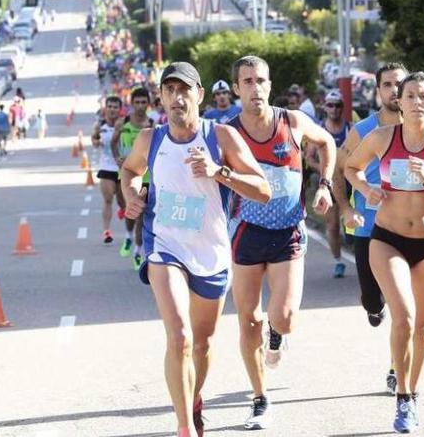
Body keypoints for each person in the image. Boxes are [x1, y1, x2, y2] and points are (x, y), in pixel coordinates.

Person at [121, 61, 271, 437]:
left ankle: (194, 398)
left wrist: (220, 172)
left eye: (184, 89)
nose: (177, 97)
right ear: (161, 97)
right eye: (170, 90)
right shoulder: (149, 139)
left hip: (211, 251)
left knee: (202, 343)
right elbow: (129, 171)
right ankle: (185, 426)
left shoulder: (220, 137)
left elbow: (263, 190)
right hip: (165, 247)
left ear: (200, 95)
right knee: (180, 336)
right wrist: (132, 194)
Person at [345, 72, 424, 433]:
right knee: (404, 317)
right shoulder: (382, 137)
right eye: (410, 96)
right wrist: (365, 190)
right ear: (399, 101)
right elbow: (350, 167)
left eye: (423, 96)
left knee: (423, 326)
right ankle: (402, 400)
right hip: (387, 238)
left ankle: (412, 390)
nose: (417, 102)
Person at [226, 55, 336, 430]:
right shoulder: (227, 132)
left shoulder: (292, 121)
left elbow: (326, 143)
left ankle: (277, 336)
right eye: (248, 81)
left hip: (288, 230)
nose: (255, 88)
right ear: (237, 88)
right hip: (247, 232)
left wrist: (325, 185)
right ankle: (259, 398)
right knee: (247, 321)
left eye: (261, 80)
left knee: (284, 318)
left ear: (270, 85)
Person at [332, 62, 407, 393]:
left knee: (405, 306)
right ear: (378, 91)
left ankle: (397, 369)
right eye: (388, 85)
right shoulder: (363, 131)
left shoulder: (420, 131)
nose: (394, 90)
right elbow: (338, 171)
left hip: (408, 229)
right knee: (373, 301)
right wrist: (347, 208)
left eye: (399, 84)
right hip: (368, 227)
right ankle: (374, 308)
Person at [306, 89, 351, 278]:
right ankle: (338, 260)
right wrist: (327, 171)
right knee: (332, 226)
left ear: (343, 108)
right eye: (330, 105)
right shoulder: (318, 131)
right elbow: (309, 159)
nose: (334, 109)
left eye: (338, 105)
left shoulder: (351, 128)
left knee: (355, 225)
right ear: (325, 107)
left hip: (350, 183)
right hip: (329, 184)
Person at [113, 87, 155, 268]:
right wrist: (117, 158)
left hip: (147, 176)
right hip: (126, 174)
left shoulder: (153, 124)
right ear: (132, 104)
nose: (140, 106)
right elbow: (113, 142)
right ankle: (129, 237)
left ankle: (138, 251)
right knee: (128, 210)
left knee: (141, 214)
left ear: (148, 103)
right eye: (137, 102)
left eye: (143, 102)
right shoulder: (123, 123)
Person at [93, 96, 125, 244]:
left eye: (115, 107)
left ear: (120, 109)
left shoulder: (126, 125)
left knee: (123, 202)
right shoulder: (100, 125)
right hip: (106, 166)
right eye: (110, 106)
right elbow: (94, 140)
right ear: (106, 108)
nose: (112, 109)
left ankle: (122, 208)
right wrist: (96, 141)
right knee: (108, 199)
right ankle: (106, 231)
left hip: (122, 168)